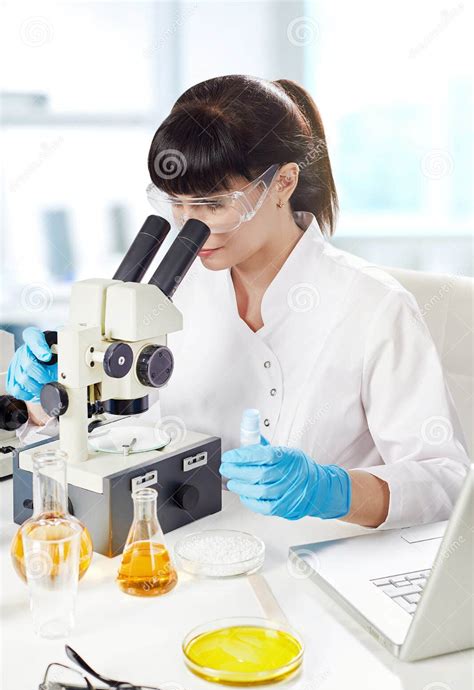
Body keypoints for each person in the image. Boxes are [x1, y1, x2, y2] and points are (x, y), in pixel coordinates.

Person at [7, 75, 470, 529]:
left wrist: (332, 490)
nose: (192, 226)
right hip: (190, 541)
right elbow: (128, 432)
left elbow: (447, 481)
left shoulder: (373, 307)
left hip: (324, 558)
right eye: (177, 204)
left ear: (284, 182)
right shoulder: (172, 293)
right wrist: (60, 391)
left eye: (212, 205)